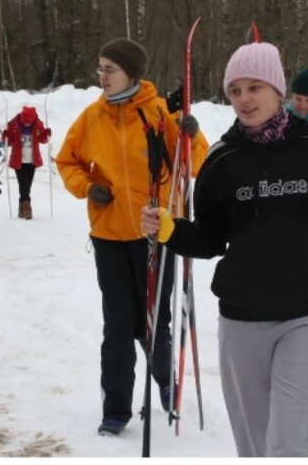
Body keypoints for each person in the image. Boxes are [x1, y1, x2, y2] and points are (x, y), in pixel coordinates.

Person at [141, 41, 308, 457]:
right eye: (235, 90)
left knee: (286, 444)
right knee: (255, 448)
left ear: (278, 90)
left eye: (254, 87)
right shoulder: (221, 160)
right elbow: (210, 239)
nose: (244, 98)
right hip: (242, 321)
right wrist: (170, 231)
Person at [56, 37, 208, 437]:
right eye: (100, 68)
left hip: (156, 234)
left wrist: (192, 134)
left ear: (132, 73)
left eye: (111, 69)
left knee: (153, 324)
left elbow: (196, 163)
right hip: (109, 236)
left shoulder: (159, 113)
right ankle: (116, 408)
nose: (102, 76)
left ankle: (165, 380)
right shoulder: (92, 117)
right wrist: (88, 187)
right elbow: (66, 160)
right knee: (118, 326)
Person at [2, 105, 52, 219]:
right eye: (25, 122)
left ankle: (21, 207)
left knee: (27, 184)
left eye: (29, 122)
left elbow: (42, 140)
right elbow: (8, 141)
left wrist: (46, 134)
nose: (27, 124)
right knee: (23, 183)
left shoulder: (38, 125)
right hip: (18, 160)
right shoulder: (14, 125)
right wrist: (5, 136)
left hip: (32, 160)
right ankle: (27, 208)